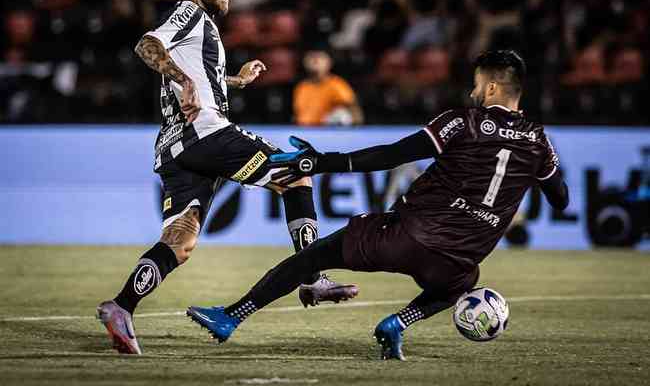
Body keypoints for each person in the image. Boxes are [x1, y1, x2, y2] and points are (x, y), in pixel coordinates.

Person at [186, 50, 569, 360]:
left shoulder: (462, 121)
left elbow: (392, 155)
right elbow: (561, 198)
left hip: (406, 234)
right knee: (462, 284)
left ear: (490, 88)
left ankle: (231, 317)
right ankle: (399, 323)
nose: (472, 92)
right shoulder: (539, 142)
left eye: (475, 84)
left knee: (311, 258)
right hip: (456, 259)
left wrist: (322, 162)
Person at [96, 0, 357, 355]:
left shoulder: (205, 30)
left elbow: (198, 77)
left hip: (175, 145)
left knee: (179, 243)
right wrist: (183, 81)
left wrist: (233, 80)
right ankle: (312, 275)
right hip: (206, 133)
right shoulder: (189, 13)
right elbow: (147, 46)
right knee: (297, 174)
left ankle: (121, 306)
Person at [293, 48, 364, 126]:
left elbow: (354, 111)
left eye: (320, 57)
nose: (315, 60)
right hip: (302, 130)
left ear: (329, 63)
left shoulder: (336, 85)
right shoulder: (302, 86)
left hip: (326, 132)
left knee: (341, 115)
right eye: (311, 57)